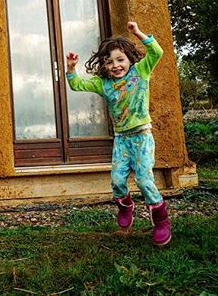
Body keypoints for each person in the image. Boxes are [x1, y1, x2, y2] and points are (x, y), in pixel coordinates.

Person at [65, 21, 171, 246]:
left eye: (120, 59)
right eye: (109, 61)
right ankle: (125, 205)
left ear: (130, 60)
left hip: (142, 136)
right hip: (122, 140)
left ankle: (161, 219)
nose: (115, 65)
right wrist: (72, 69)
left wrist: (138, 33)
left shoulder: (140, 72)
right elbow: (77, 86)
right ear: (104, 65)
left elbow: (157, 52)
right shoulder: (103, 84)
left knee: (144, 179)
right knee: (117, 181)